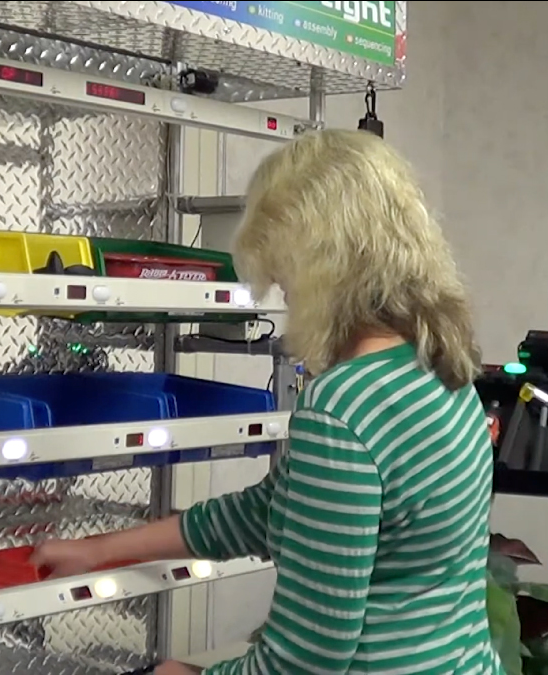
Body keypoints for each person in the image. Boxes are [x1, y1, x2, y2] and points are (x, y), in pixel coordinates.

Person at [32, 129, 502, 675]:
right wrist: (100, 550)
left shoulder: (344, 409)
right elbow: (267, 512)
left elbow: (306, 660)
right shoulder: (439, 371)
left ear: (324, 270)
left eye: (286, 280)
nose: (286, 297)